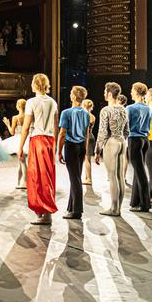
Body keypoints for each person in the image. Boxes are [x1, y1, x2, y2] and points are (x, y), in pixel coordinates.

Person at [19, 73, 58, 225]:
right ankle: (44, 211)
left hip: (37, 140)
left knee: (37, 177)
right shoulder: (53, 102)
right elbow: (55, 126)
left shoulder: (31, 102)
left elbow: (26, 127)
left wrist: (20, 146)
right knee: (47, 177)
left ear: (35, 85)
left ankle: (45, 213)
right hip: (49, 141)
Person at [94, 82, 128, 216]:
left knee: (112, 176)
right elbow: (127, 130)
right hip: (121, 141)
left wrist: (97, 150)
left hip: (111, 142)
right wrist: (122, 139)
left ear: (109, 94)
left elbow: (102, 132)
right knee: (120, 176)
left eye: (104, 91)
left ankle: (114, 208)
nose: (103, 94)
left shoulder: (106, 110)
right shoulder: (123, 109)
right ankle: (117, 207)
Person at [58, 86, 90, 220]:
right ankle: (71, 207)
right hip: (81, 146)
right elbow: (87, 133)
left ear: (73, 96)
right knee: (76, 177)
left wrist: (59, 151)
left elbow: (62, 133)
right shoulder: (86, 113)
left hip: (71, 146)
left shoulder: (66, 113)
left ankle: (76, 210)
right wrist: (86, 151)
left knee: (75, 179)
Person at [126, 82, 152, 212]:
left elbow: (126, 126)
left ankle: (145, 204)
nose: (130, 92)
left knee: (140, 172)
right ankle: (135, 201)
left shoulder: (130, 108)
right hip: (145, 139)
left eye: (132, 90)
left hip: (134, 140)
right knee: (139, 171)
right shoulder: (148, 108)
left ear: (136, 92)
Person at [3, 98, 28, 189]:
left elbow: (12, 132)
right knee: (21, 162)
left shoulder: (16, 118)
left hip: (19, 139)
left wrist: (7, 124)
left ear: (18, 106)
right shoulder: (29, 116)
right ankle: (19, 181)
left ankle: (25, 182)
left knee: (22, 161)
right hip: (27, 139)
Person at [82, 99, 96, 186]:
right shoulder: (92, 116)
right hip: (91, 137)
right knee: (88, 159)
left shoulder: (85, 116)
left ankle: (89, 179)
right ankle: (87, 177)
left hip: (86, 137)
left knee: (86, 159)